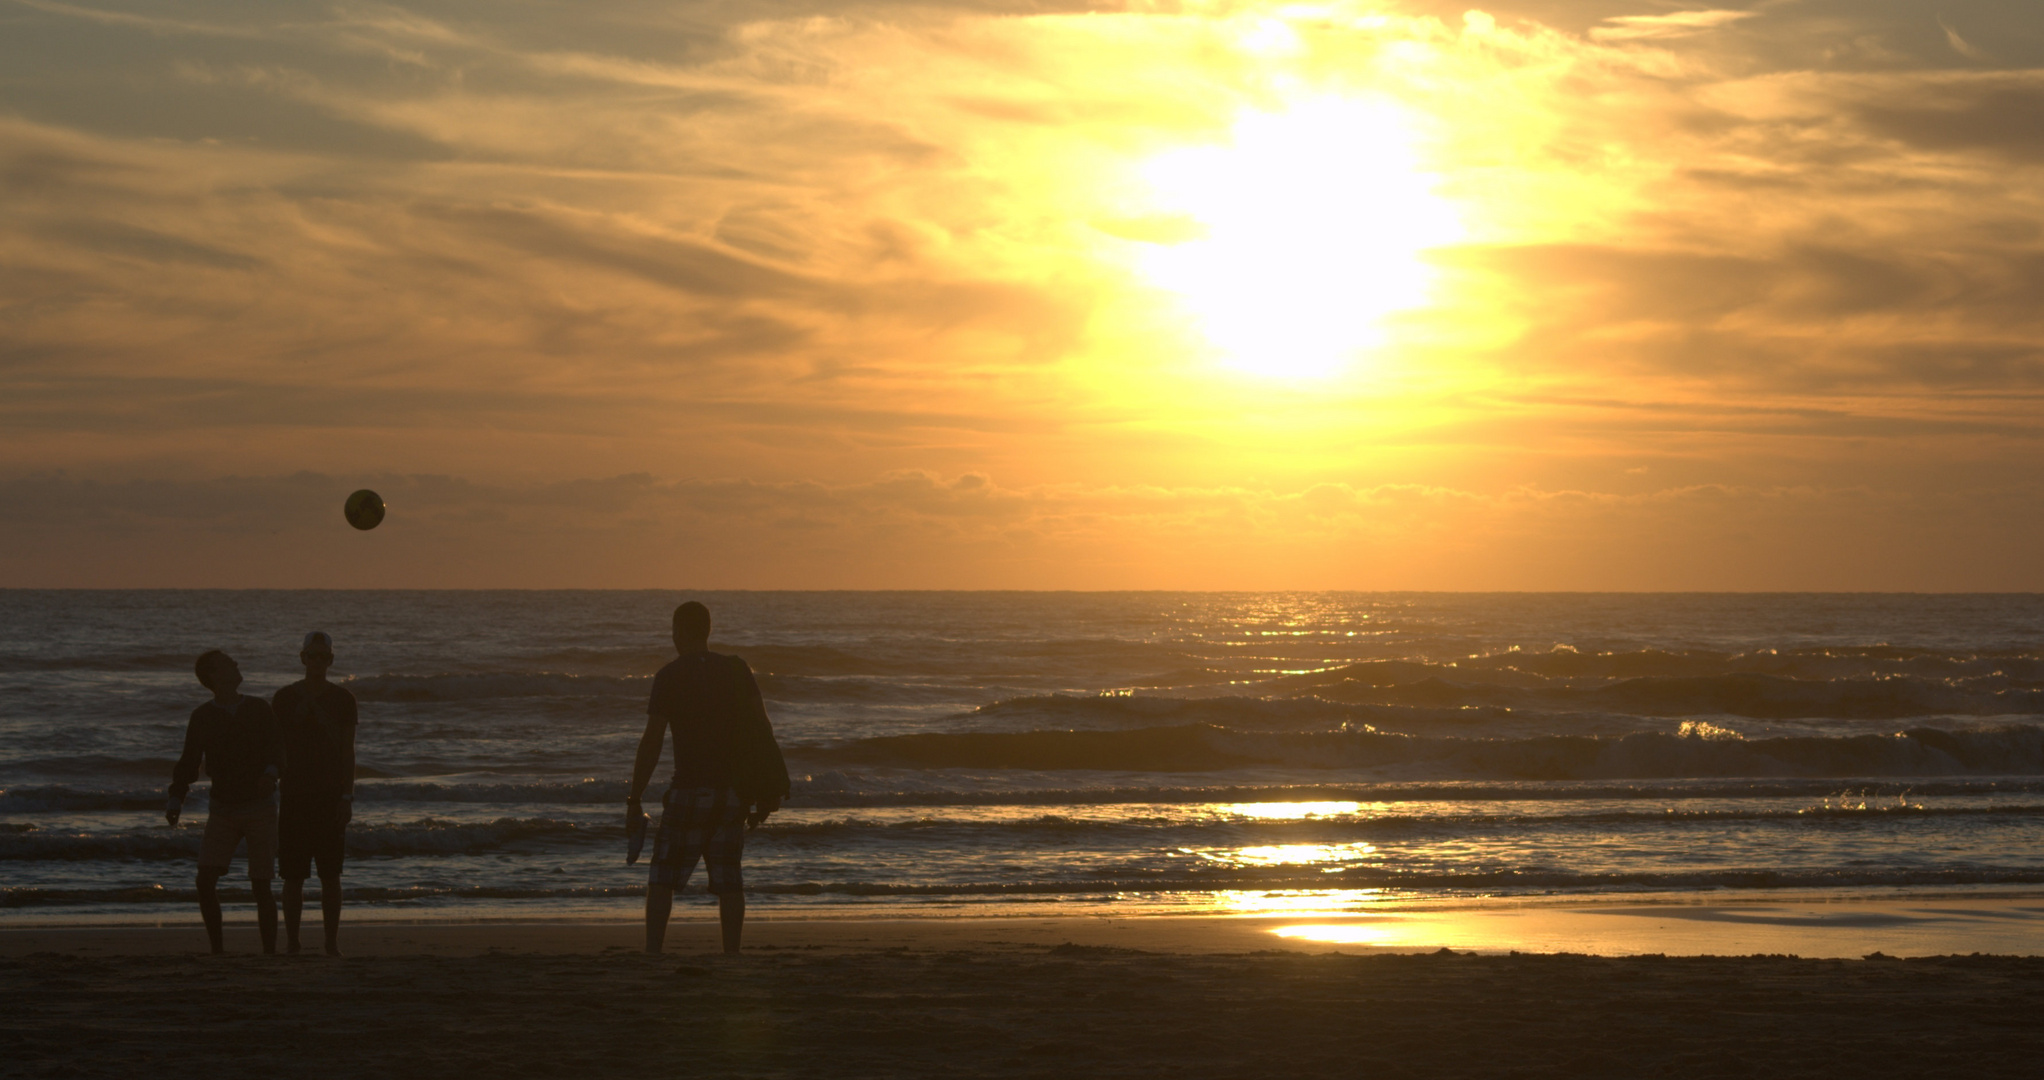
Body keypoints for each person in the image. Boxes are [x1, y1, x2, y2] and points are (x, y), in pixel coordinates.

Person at [628, 601, 790, 954]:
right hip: (731, 792)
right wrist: (769, 788)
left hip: (688, 789)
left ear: (681, 632)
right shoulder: (736, 669)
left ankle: (653, 953)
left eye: (674, 632)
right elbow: (763, 728)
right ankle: (731, 954)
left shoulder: (669, 676)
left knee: (662, 877)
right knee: (729, 879)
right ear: (707, 631)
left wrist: (634, 796)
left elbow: (652, 742)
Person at [168, 650, 282, 955]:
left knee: (261, 884)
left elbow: (276, 750)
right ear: (214, 676)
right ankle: (217, 950)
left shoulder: (258, 708)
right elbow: (189, 762)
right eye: (228, 664)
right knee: (205, 880)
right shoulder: (203, 716)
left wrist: (270, 776)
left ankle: (269, 953)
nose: (236, 665)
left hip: (261, 807)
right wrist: (175, 798)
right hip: (223, 810)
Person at [272, 630, 358, 956]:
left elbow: (348, 752)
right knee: (293, 876)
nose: (318, 661)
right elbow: (274, 746)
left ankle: (331, 943)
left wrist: (347, 796)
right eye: (313, 655)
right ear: (303, 658)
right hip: (294, 795)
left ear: (331, 660)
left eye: (324, 656)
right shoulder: (284, 698)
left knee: (330, 875)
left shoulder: (343, 699)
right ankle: (292, 942)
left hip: (330, 796)